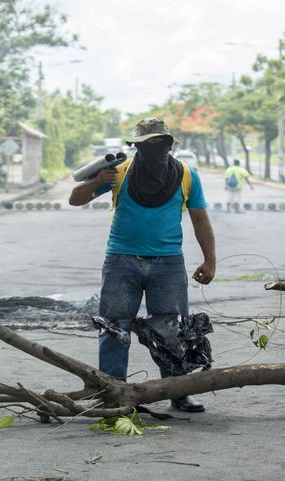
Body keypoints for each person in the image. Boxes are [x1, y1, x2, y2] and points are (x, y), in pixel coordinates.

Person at [69, 118, 216, 413]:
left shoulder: (187, 175)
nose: (154, 149)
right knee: (114, 328)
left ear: (169, 145)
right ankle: (112, 391)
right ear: (136, 146)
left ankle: (178, 392)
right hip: (121, 262)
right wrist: (97, 181)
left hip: (169, 264)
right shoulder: (118, 172)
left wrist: (210, 260)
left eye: (159, 143)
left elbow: (200, 219)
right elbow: (75, 199)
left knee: (171, 329)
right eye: (147, 144)